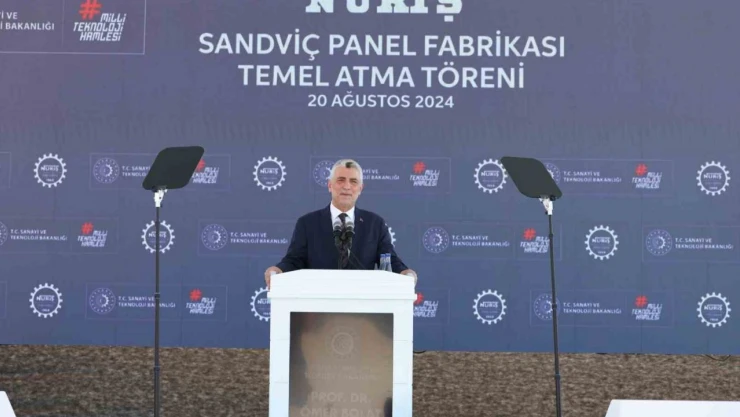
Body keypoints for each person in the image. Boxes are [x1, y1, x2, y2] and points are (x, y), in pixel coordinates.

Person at [264, 159, 417, 288]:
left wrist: (405, 273)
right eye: (341, 180)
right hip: (318, 302)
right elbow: (294, 260)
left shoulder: (375, 224)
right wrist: (278, 271)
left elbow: (388, 259)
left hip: (363, 304)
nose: (347, 186)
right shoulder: (307, 223)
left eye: (353, 181)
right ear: (329, 185)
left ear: (360, 189)